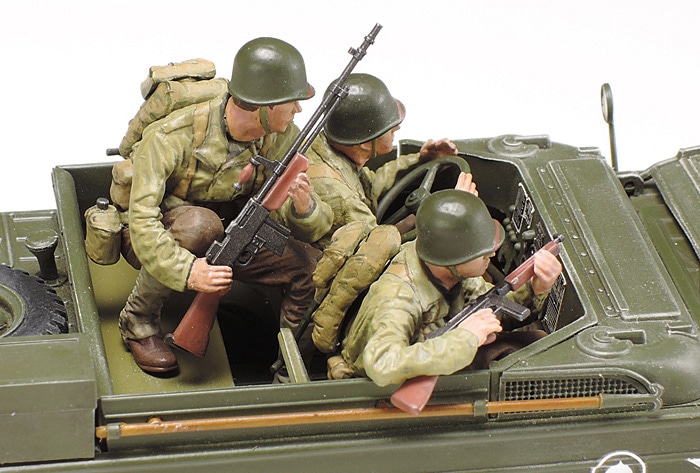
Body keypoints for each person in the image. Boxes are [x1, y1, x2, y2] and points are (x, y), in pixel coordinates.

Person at [117, 37, 320, 376]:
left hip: (236, 230)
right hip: (168, 234)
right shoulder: (171, 136)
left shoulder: (283, 137)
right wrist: (188, 270)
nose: (298, 109)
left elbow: (298, 214)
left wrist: (303, 206)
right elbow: (142, 223)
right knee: (201, 226)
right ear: (263, 106)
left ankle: (290, 365)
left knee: (309, 268)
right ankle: (137, 322)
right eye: (291, 102)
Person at [333, 189, 562, 386]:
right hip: (385, 383)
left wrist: (535, 288)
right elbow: (383, 364)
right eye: (482, 253)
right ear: (452, 259)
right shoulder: (397, 299)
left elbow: (489, 306)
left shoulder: (445, 263)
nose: (492, 255)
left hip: (436, 345)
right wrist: (465, 339)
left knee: (534, 341)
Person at [279, 73, 474, 249]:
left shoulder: (331, 150)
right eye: (389, 130)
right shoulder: (339, 195)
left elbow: (369, 184)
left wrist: (421, 160)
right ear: (365, 144)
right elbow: (377, 249)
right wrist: (451, 214)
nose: (396, 130)